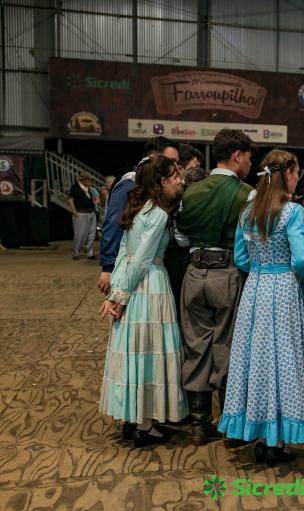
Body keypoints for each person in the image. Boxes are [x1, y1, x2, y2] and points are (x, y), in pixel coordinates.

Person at [217, 149, 304, 466]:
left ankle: (261, 436)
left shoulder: (248, 212)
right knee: (284, 358)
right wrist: (301, 271)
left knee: (257, 359)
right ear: (287, 173)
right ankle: (278, 440)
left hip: (256, 289)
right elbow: (302, 260)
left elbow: (241, 258)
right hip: (285, 288)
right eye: (297, 172)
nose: (297, 178)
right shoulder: (291, 212)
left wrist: (262, 270)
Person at [98, 155, 188, 447]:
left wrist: (117, 292)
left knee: (134, 351)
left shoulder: (138, 209)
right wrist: (119, 296)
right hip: (150, 285)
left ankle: (133, 418)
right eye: (175, 177)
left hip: (132, 284)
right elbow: (141, 260)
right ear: (162, 181)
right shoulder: (158, 214)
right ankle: (145, 425)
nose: (179, 181)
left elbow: (124, 255)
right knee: (150, 351)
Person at [177, 129, 254, 446]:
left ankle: (199, 423)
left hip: (194, 273)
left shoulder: (190, 190)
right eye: (248, 158)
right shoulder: (247, 194)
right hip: (227, 273)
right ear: (237, 155)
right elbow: (251, 241)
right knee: (226, 346)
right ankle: (229, 425)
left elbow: (180, 235)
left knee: (196, 345)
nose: (250, 164)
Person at [98, 137, 180, 295]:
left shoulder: (153, 189)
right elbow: (115, 223)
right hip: (127, 271)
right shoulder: (130, 183)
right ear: (153, 158)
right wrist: (108, 266)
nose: (176, 166)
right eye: (171, 161)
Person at [68, 171, 100, 260]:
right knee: (80, 234)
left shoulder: (89, 188)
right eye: (89, 180)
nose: (90, 182)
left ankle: (90, 252)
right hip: (81, 213)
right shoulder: (75, 188)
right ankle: (76, 252)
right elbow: (70, 200)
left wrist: (94, 202)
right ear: (84, 180)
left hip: (91, 212)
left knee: (91, 233)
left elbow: (96, 198)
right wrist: (74, 211)